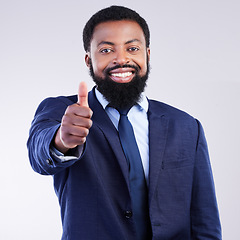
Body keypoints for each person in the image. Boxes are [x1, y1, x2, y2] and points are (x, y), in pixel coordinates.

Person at [27, 5, 222, 240]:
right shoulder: (64, 112)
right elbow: (39, 155)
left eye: (132, 48)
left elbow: (205, 219)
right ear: (89, 60)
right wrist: (61, 140)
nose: (121, 59)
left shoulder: (186, 126)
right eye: (107, 50)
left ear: (147, 55)